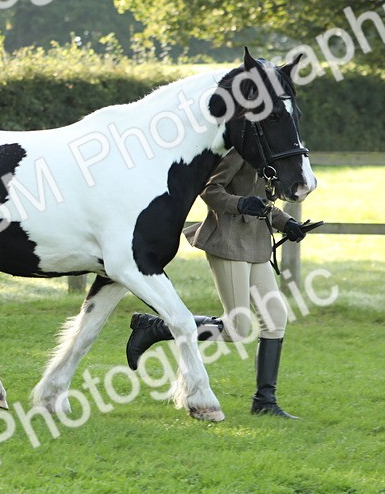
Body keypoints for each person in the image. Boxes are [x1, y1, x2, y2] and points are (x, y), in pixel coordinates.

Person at [125, 149, 315, 419]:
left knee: (275, 317)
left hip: (256, 244)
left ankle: (264, 401)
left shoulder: (270, 154)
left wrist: (287, 223)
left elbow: (262, 203)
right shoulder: (239, 151)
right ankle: (155, 328)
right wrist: (239, 204)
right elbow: (209, 189)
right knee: (237, 328)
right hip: (228, 241)